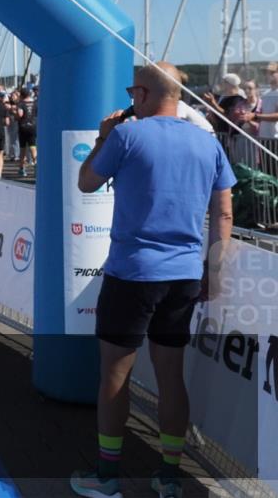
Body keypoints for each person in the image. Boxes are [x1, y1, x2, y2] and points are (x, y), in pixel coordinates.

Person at [71, 62, 235, 498]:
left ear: (142, 94)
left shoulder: (126, 135)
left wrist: (104, 135)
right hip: (182, 275)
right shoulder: (207, 143)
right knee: (170, 375)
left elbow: (86, 182)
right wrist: (212, 273)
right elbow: (222, 215)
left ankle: (107, 477)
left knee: (115, 374)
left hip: (133, 272)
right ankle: (168, 476)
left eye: (131, 93)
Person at [16, 87, 38, 177]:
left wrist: (15, 114)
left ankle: (22, 169)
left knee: (23, 149)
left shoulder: (21, 103)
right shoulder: (35, 103)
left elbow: (20, 114)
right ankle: (36, 164)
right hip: (33, 126)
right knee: (33, 146)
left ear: (21, 95)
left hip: (23, 127)